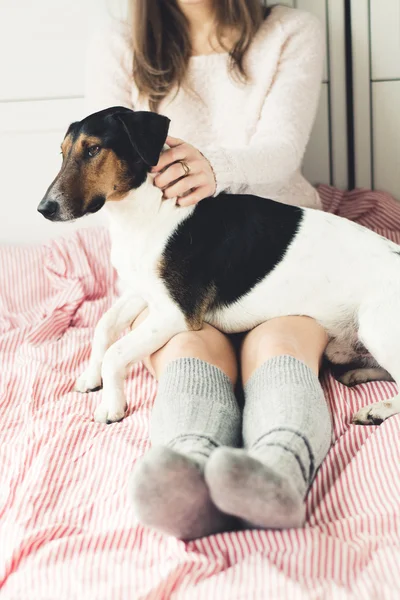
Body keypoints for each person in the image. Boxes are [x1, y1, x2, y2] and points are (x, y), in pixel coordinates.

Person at [85, 0, 332, 540]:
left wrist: (216, 167)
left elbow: (283, 148)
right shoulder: (120, 39)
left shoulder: (290, 30)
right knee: (189, 351)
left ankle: (280, 477)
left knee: (281, 345)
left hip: (274, 252)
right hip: (172, 263)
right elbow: (96, 170)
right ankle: (188, 479)